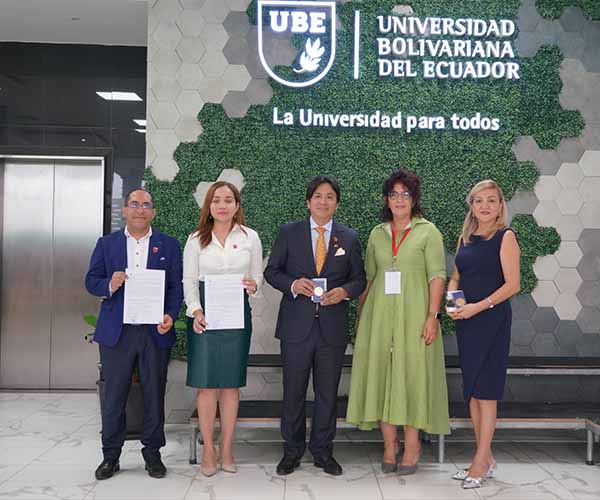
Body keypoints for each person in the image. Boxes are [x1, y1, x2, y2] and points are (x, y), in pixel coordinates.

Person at [346, 169, 450, 475]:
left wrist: (433, 316)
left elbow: (437, 276)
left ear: (414, 198)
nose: (399, 199)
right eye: (394, 194)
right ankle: (389, 445)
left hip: (415, 317)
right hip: (378, 319)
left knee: (411, 378)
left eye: (405, 194)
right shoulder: (377, 234)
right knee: (380, 378)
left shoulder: (428, 232)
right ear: (386, 199)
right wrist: (361, 317)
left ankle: (413, 445)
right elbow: (369, 278)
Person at [264, 175, 366, 476]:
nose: (324, 201)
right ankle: (292, 451)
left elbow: (359, 278)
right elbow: (272, 272)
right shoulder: (289, 232)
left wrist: (344, 292)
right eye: (318, 196)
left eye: (330, 197)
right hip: (296, 327)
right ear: (309, 202)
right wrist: (294, 283)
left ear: (336, 203)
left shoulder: (348, 237)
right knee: (293, 392)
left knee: (327, 394)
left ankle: (323, 452)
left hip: (331, 330)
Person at [85, 188, 183, 480]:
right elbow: (91, 281)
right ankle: (110, 456)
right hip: (118, 332)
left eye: (147, 205)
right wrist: (110, 284)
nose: (141, 209)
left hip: (154, 332)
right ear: (125, 210)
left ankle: (152, 454)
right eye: (135, 204)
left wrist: (170, 315)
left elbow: (175, 287)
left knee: (154, 394)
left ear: (153, 212)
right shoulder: (107, 244)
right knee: (114, 396)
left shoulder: (168, 245)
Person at [182, 181, 263, 477]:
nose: (223, 205)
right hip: (205, 316)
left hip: (237, 316)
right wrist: (195, 310)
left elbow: (257, 279)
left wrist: (254, 287)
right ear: (209, 205)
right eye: (217, 200)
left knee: (230, 385)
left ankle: (227, 447)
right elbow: (188, 281)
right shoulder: (195, 239)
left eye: (229, 200)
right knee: (206, 386)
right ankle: (208, 450)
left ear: (237, 205)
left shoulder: (250, 237)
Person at [447, 179, 520, 489]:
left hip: (492, 321)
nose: (485, 206)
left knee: (486, 393)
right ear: (472, 206)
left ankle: (479, 461)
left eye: (491, 200)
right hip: (467, 322)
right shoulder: (465, 239)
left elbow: (512, 285)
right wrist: (453, 301)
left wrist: (478, 307)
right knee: (473, 392)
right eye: (479, 201)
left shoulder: (506, 237)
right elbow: (456, 275)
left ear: (500, 205)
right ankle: (485, 457)